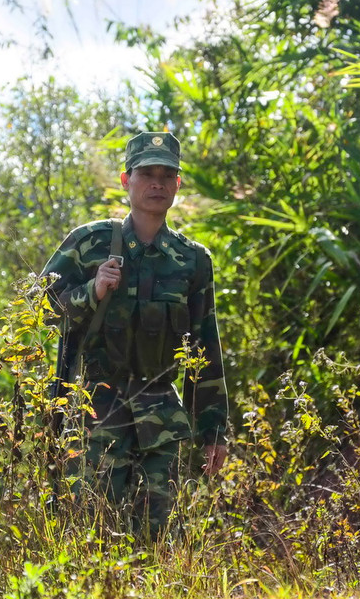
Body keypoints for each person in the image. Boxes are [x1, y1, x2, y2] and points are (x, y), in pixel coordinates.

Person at [41, 131, 228, 539]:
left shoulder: (193, 259)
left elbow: (205, 346)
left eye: (167, 175)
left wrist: (213, 430)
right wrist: (91, 291)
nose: (156, 183)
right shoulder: (88, 242)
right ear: (126, 181)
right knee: (88, 535)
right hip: (93, 414)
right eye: (146, 174)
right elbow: (38, 308)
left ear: (178, 185)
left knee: (157, 541)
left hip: (160, 413)